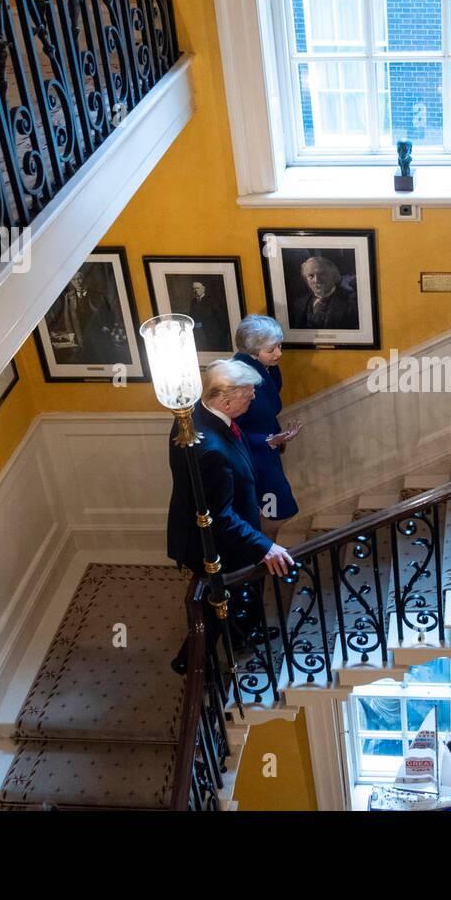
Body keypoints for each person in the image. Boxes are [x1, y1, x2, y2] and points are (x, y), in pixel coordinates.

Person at [166, 359, 294, 672]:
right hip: (212, 544)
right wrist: (265, 546)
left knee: (239, 593)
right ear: (225, 400)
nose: (252, 400)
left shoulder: (200, 412)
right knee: (215, 604)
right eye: (248, 396)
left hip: (225, 531)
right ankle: (190, 663)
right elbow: (220, 517)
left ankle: (243, 636)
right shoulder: (209, 449)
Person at [231, 315, 302, 540]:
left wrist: (276, 437)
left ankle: (268, 553)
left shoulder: (263, 368)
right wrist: (270, 440)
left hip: (267, 454)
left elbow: (265, 411)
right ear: (252, 350)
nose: (279, 353)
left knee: (276, 509)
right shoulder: (241, 378)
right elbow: (232, 432)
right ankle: (261, 553)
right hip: (253, 459)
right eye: (271, 349)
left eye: (279, 346)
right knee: (276, 510)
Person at [297, 256, 358, 330]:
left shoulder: (352, 303)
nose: (316, 280)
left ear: (333, 275)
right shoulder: (299, 304)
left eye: (322, 274)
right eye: (311, 276)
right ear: (306, 279)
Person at [187, 280, 230, 353]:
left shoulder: (212, 300)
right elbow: (191, 317)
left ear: (203, 288)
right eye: (194, 289)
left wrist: (220, 333)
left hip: (212, 334)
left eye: (198, 288)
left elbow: (221, 316)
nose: (196, 290)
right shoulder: (193, 302)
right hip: (199, 334)